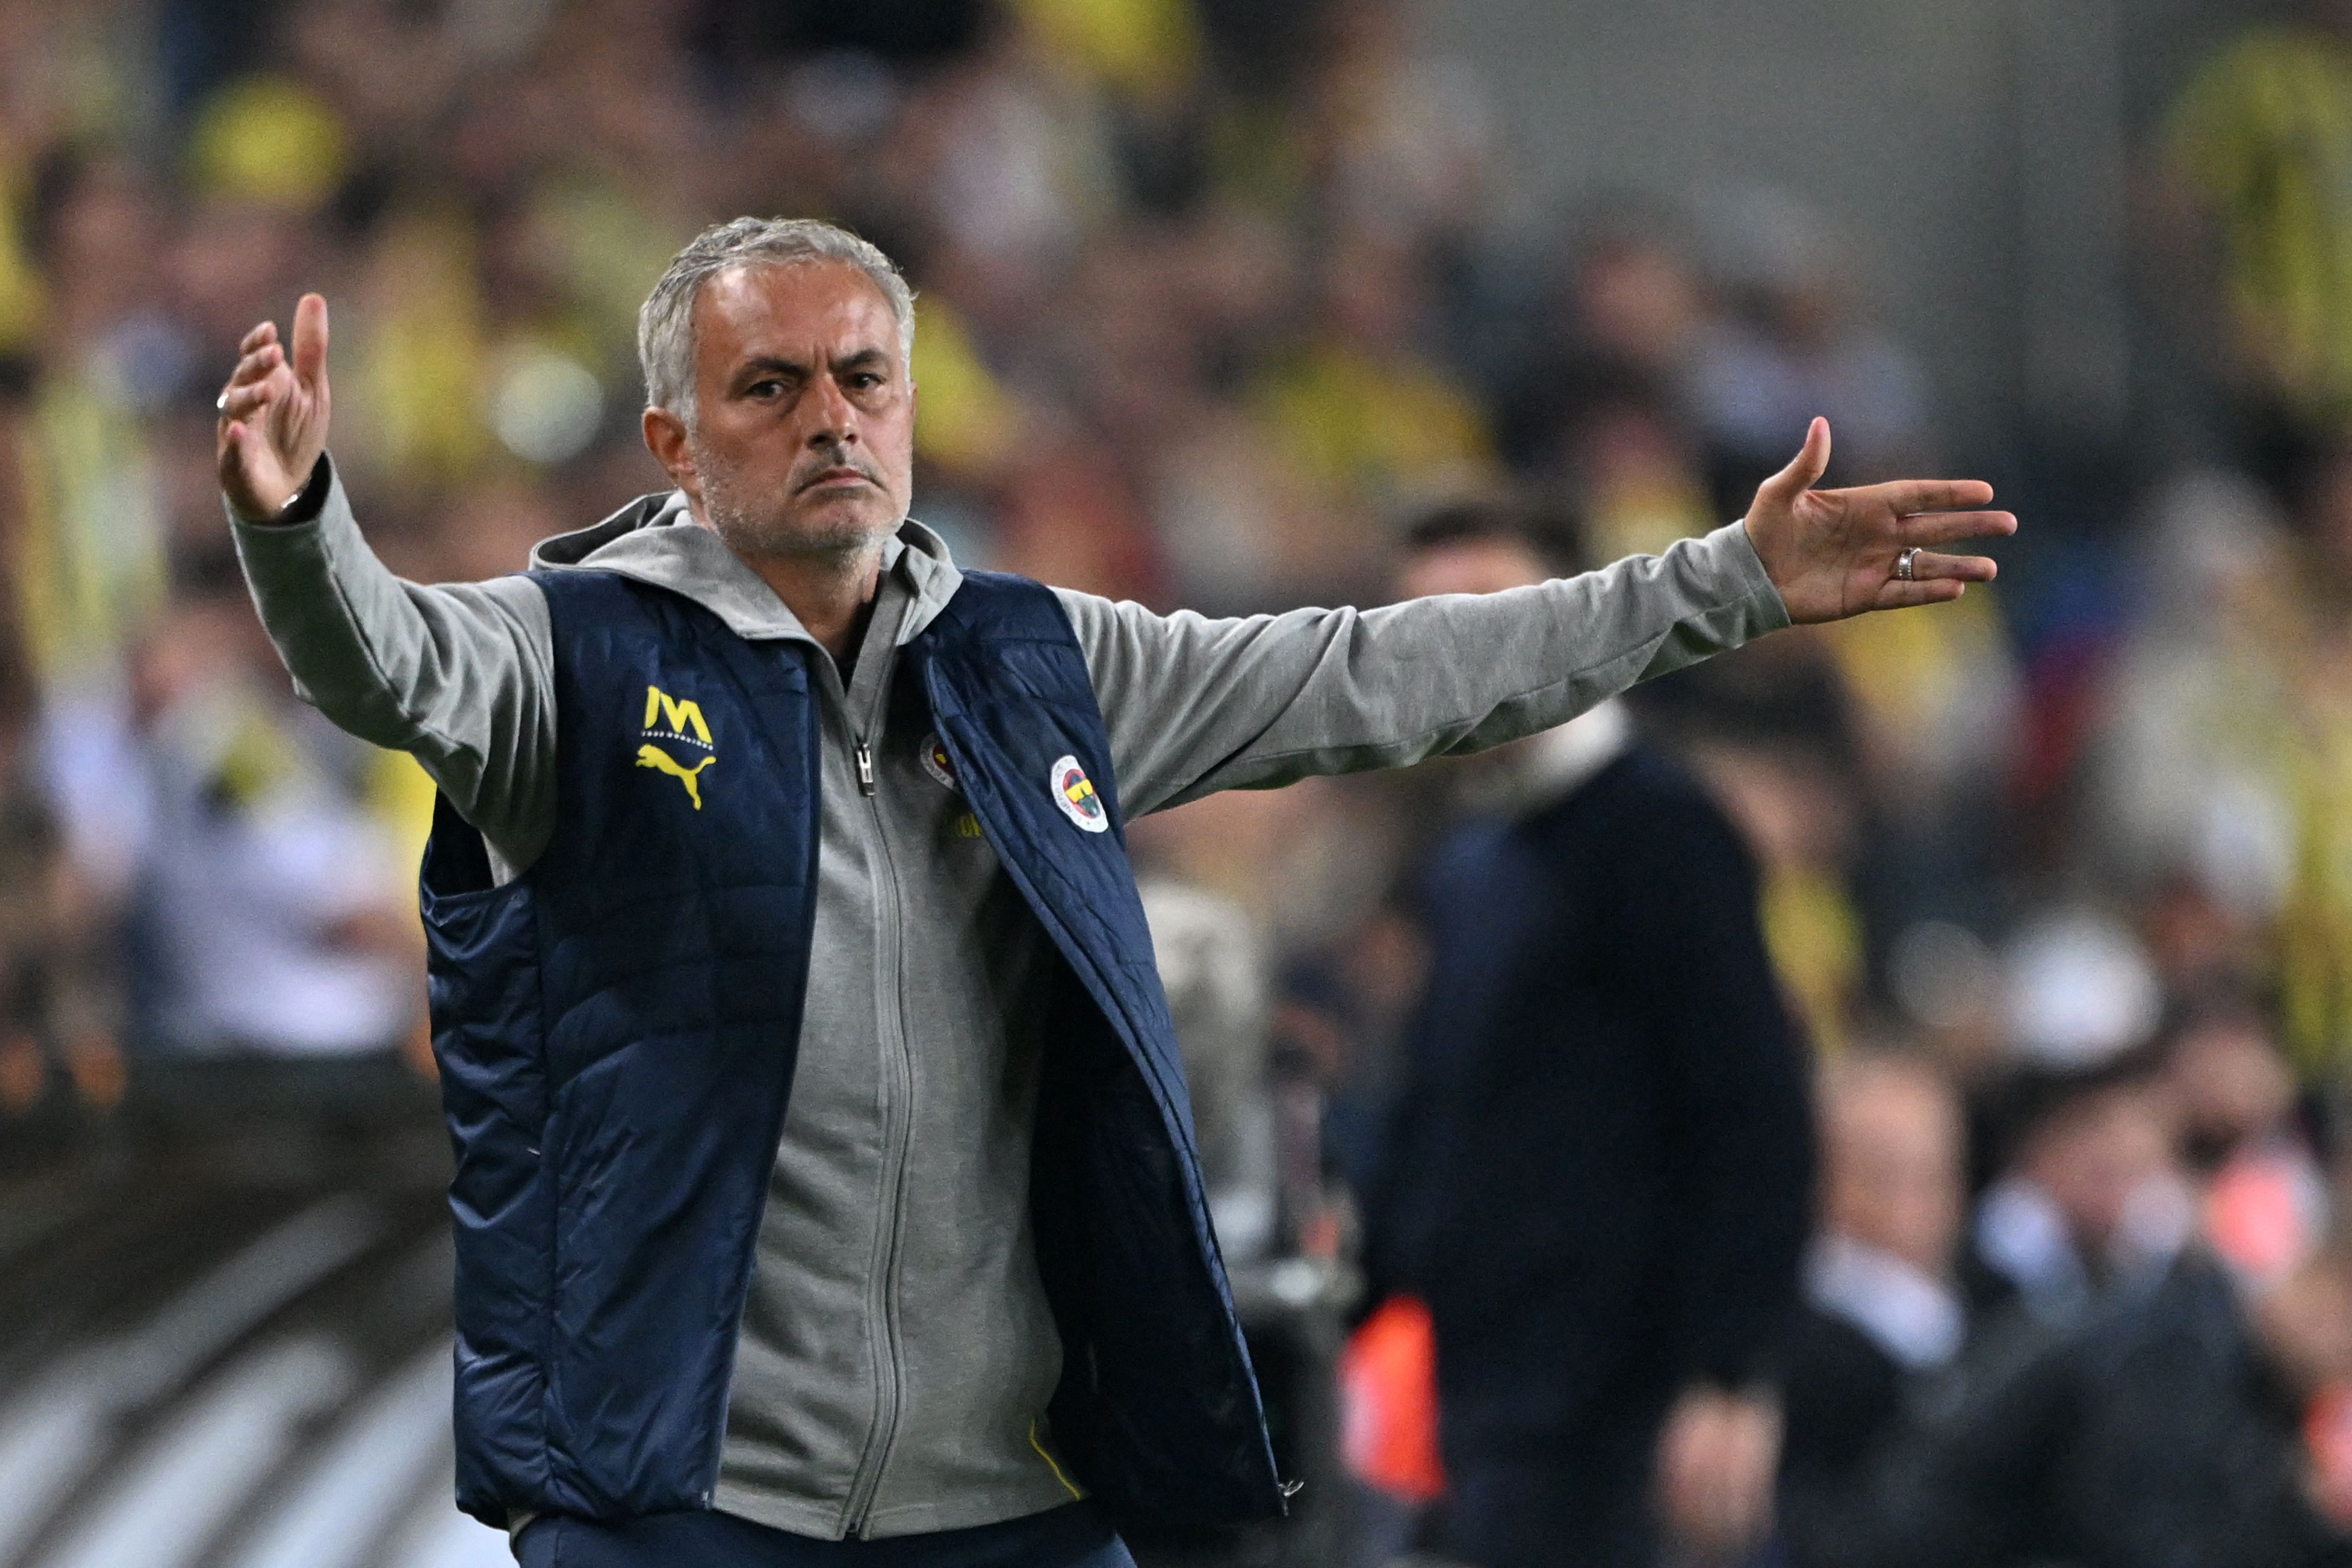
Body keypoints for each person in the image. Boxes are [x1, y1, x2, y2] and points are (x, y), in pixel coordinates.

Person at [211, 216, 2011, 1567]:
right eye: (770, 387)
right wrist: (299, 529)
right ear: (677, 443)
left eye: (865, 379)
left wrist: (1723, 584)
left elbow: (1381, 673)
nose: (831, 420)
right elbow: (390, 664)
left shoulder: (1033, 661)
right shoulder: (577, 663)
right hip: (690, 1497)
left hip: (1016, 1503)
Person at [1364, 500, 1815, 1568]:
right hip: (1485, 1398)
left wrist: (1730, 1375)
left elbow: (1751, 1108)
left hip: (1620, 1412)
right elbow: (1441, 1116)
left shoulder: (1663, 835)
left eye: (1489, 608)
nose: (1458, 649)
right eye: (1423, 623)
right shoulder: (1469, 858)